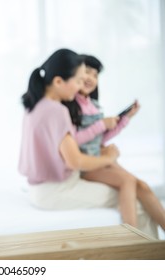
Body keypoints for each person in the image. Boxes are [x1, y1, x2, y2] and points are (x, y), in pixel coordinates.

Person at [18, 48, 159, 238]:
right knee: (138, 205)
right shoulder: (57, 111)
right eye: (77, 81)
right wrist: (109, 157)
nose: (79, 87)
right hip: (57, 190)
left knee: (134, 188)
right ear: (59, 81)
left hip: (38, 189)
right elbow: (75, 161)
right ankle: (139, 254)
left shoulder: (34, 105)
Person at [62, 54, 165, 233]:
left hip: (99, 156)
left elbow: (99, 138)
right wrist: (101, 124)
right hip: (87, 164)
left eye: (95, 75)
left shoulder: (93, 104)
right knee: (127, 181)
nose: (91, 78)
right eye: (87, 72)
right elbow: (72, 140)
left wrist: (124, 120)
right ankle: (131, 238)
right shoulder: (70, 104)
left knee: (143, 186)